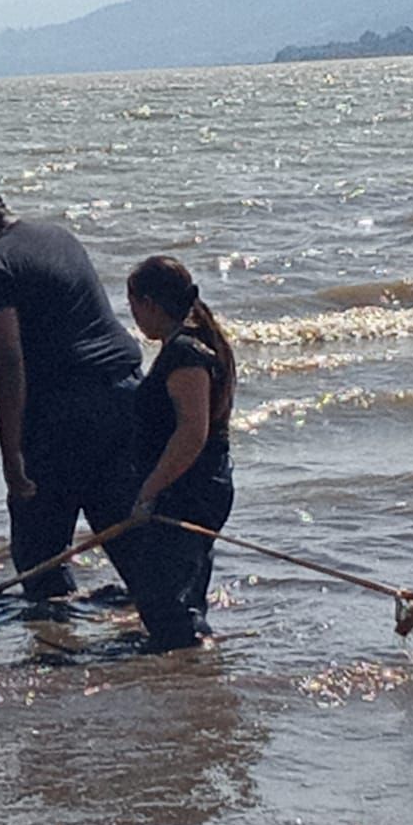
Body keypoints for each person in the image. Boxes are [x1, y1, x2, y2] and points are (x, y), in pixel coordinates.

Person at [0, 182, 144, 602]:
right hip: (124, 394)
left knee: (37, 549)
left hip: (63, 413)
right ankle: (169, 632)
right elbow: (43, 313)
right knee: (126, 529)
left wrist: (11, 454)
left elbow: (9, 361)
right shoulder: (55, 237)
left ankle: (55, 647)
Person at [126, 255, 237, 650]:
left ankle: (190, 664)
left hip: (188, 491)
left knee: (164, 600)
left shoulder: (187, 354)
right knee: (177, 591)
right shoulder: (188, 346)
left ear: (150, 304)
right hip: (193, 487)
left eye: (134, 306)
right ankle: (191, 656)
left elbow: (192, 433)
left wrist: (149, 491)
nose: (135, 317)